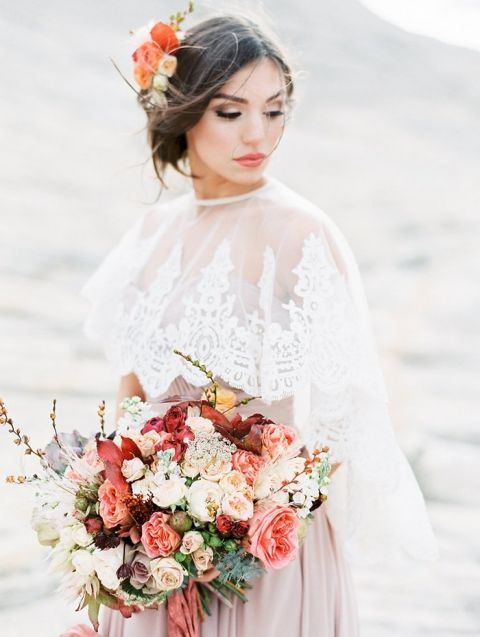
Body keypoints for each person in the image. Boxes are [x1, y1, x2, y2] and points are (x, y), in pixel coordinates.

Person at [78, 9, 438, 637]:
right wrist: (116, 521)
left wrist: (230, 525)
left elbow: (342, 425)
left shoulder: (300, 232)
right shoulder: (149, 236)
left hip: (263, 560)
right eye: (231, 111)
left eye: (274, 110)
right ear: (182, 110)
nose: (258, 134)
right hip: (149, 556)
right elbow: (130, 400)